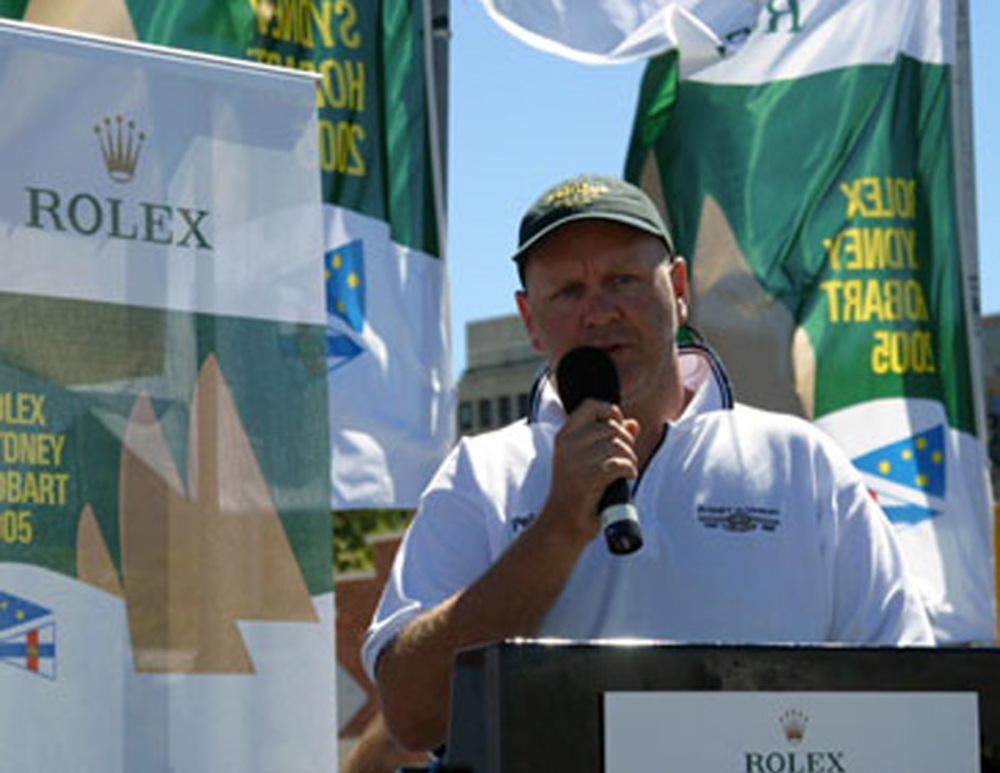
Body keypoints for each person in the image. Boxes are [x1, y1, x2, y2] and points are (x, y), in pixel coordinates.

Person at [361, 174, 934, 752]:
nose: (599, 311)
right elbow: (414, 715)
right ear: (529, 319)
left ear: (679, 288)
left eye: (623, 280)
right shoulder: (478, 477)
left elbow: (910, 695)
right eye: (567, 292)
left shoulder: (800, 464)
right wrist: (557, 530)